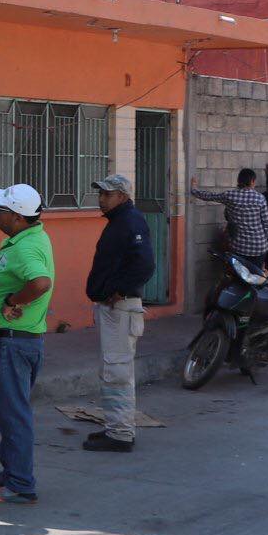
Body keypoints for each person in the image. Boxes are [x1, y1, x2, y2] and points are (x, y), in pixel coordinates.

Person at [0, 183, 54, 505]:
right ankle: (12, 469)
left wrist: (13, 299)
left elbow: (40, 282)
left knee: (14, 414)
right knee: (12, 411)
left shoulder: (23, 249)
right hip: (25, 341)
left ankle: (21, 483)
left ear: (18, 217)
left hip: (13, 343)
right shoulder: (30, 238)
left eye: (2, 210)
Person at [83, 173, 152, 454]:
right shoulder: (120, 222)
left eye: (107, 194)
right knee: (111, 369)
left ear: (122, 196)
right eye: (100, 194)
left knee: (117, 370)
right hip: (112, 309)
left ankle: (121, 433)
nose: (101, 199)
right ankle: (115, 425)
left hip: (121, 309)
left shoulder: (131, 222)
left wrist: (121, 290)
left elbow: (145, 265)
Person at [191, 168, 268, 266]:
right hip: (259, 247)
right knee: (256, 275)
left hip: (240, 247)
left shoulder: (230, 195)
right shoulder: (260, 198)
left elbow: (209, 196)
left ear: (239, 181)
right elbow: (267, 225)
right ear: (252, 181)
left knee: (238, 276)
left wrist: (194, 189)